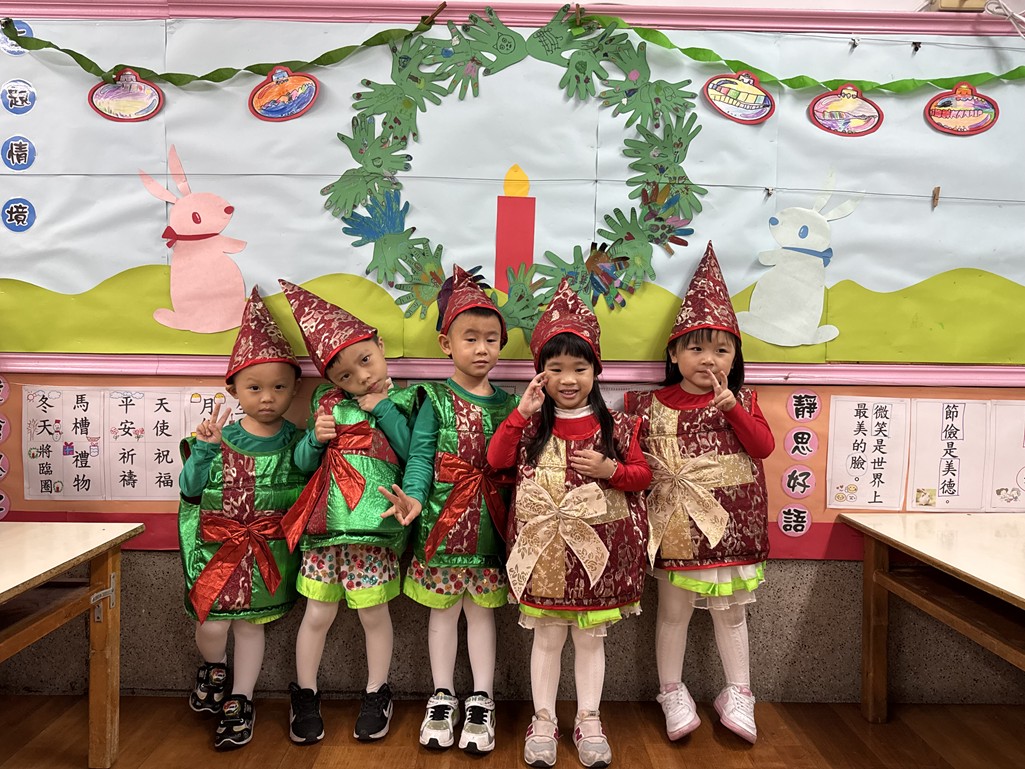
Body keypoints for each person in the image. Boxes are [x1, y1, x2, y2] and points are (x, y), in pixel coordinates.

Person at [487, 278, 652, 769]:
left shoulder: (618, 426)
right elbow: (496, 462)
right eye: (555, 368)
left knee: (589, 638)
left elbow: (643, 476)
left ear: (596, 371)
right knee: (547, 637)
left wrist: (611, 470)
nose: (568, 379)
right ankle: (542, 720)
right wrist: (520, 414)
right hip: (542, 554)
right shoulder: (531, 424)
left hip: (600, 557)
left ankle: (589, 719)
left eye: (579, 368)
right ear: (540, 373)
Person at [623, 242, 775, 745]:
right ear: (673, 353)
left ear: (734, 357)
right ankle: (672, 691)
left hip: (731, 531)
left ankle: (740, 692)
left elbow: (762, 447)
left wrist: (731, 407)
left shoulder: (743, 399)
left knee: (732, 613)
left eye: (721, 349)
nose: (708, 359)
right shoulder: (648, 405)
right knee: (674, 613)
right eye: (696, 348)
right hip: (674, 531)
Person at [277, 279, 426, 744]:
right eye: (344, 376)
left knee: (373, 615)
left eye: (365, 360)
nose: (360, 377)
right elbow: (303, 465)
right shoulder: (326, 405)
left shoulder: (406, 401)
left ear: (380, 345)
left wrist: (384, 410)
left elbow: (412, 453)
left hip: (374, 530)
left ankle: (377, 691)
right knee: (316, 614)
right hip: (326, 530)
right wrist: (313, 439)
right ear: (331, 382)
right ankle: (305, 693)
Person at [178, 287, 308, 750]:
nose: (267, 398)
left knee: (252, 626)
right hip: (218, 551)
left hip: (266, 554)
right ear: (233, 389)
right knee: (213, 624)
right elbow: (190, 491)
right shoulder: (217, 438)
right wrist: (204, 450)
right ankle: (213, 667)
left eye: (279, 387)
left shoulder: (297, 442)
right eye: (255, 388)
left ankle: (241, 698)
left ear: (295, 389)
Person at [401, 266, 518, 755]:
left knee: (482, 614)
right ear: (446, 344)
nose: (482, 348)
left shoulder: (512, 405)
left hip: (491, 528)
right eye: (470, 338)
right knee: (443, 614)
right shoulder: (434, 398)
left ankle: (482, 700)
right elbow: (421, 457)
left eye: (491, 339)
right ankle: (442, 695)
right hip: (442, 527)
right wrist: (412, 496)